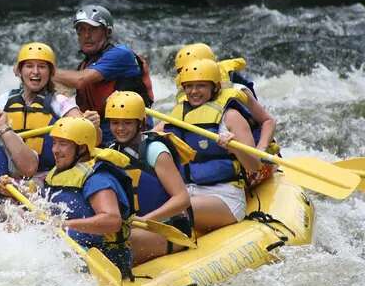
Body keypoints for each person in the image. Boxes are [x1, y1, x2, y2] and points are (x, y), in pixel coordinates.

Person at [1, 117, 136, 278]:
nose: (55, 150)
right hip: (67, 247)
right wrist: (18, 192)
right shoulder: (61, 171)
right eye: (55, 143)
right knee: (9, 215)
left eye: (63, 144)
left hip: (101, 256)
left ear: (82, 148)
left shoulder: (98, 179)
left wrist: (64, 224)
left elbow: (112, 221)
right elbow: (48, 204)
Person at [160, 59, 261, 232]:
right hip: (185, 192)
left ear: (214, 87)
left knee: (176, 210)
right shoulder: (177, 115)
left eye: (201, 86)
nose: (194, 91)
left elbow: (254, 165)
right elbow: (146, 137)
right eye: (189, 86)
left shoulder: (231, 117)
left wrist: (234, 147)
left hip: (224, 196)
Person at [104, 91, 192, 264]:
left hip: (170, 230)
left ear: (140, 123)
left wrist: (145, 220)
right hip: (134, 228)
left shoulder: (155, 150)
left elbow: (182, 198)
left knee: (120, 244)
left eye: (127, 123)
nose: (120, 128)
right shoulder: (111, 152)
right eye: (115, 123)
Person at [0, 41, 100, 183]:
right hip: (7, 179)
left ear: (51, 72)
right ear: (19, 71)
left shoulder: (59, 102)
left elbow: (92, 138)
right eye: (29, 66)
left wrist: (95, 127)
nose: (35, 72)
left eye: (42, 67)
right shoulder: (3, 100)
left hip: (46, 177)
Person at [172, 43, 277, 186]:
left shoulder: (237, 90)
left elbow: (268, 121)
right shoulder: (189, 93)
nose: (184, 75)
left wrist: (261, 149)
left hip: (250, 151)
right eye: (181, 71)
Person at [52, 5, 154, 145]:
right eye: (81, 30)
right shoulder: (84, 66)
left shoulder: (121, 54)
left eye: (93, 29)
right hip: (102, 130)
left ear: (107, 32)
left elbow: (80, 80)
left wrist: (43, 67)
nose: (87, 35)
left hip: (131, 130)